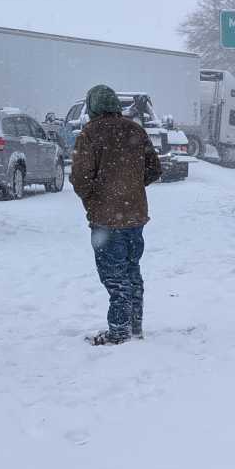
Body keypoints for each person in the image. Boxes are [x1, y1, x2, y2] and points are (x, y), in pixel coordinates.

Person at [70, 84, 160, 346]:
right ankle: (134, 327)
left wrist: (95, 197)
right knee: (132, 271)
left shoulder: (90, 134)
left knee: (114, 276)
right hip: (135, 216)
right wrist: (130, 186)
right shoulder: (135, 129)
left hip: (106, 219)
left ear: (93, 106)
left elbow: (80, 178)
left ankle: (119, 331)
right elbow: (154, 169)